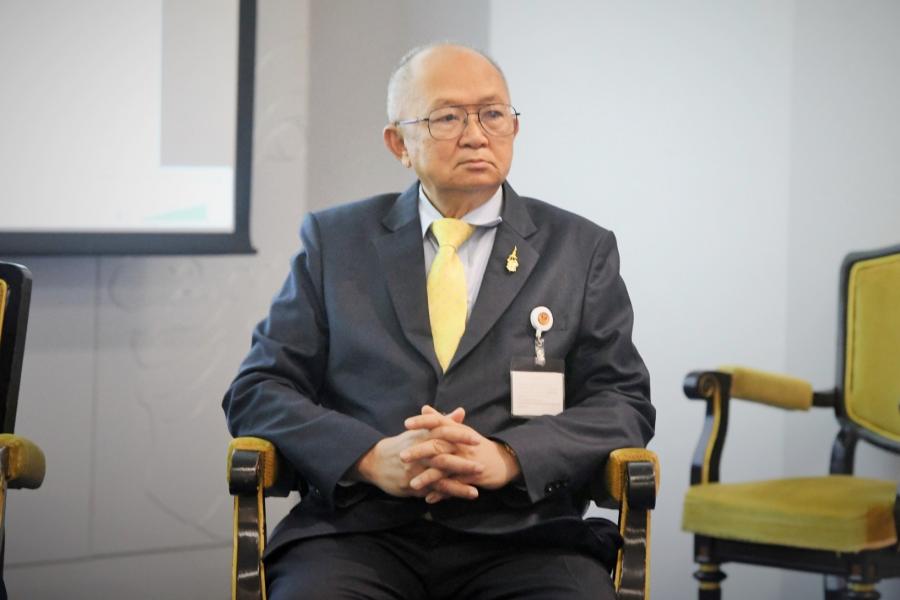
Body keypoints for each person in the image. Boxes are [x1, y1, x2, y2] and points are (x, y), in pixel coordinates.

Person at [223, 43, 654, 600]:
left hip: (526, 536)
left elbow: (623, 402)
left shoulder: (578, 249)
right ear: (398, 144)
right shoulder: (337, 242)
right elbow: (258, 390)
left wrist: (510, 458)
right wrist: (368, 458)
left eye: (493, 113)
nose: (476, 135)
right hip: (359, 533)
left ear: (514, 127)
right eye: (447, 117)